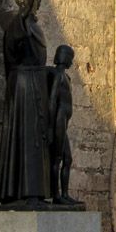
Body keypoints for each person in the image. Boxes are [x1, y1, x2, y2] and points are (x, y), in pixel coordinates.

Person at [0, 0, 50, 205]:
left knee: (37, 138)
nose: (36, 2)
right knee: (25, 136)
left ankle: (36, 191)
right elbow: (13, 45)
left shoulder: (34, 26)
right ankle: (25, 192)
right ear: (22, 0)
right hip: (23, 85)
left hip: (36, 83)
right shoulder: (17, 25)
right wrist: (23, 17)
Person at [47, 45, 78, 207]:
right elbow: (52, 101)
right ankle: (56, 195)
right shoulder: (58, 75)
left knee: (68, 158)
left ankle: (64, 194)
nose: (71, 62)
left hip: (64, 121)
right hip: (59, 118)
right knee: (57, 158)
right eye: (70, 58)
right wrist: (51, 127)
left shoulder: (66, 77)